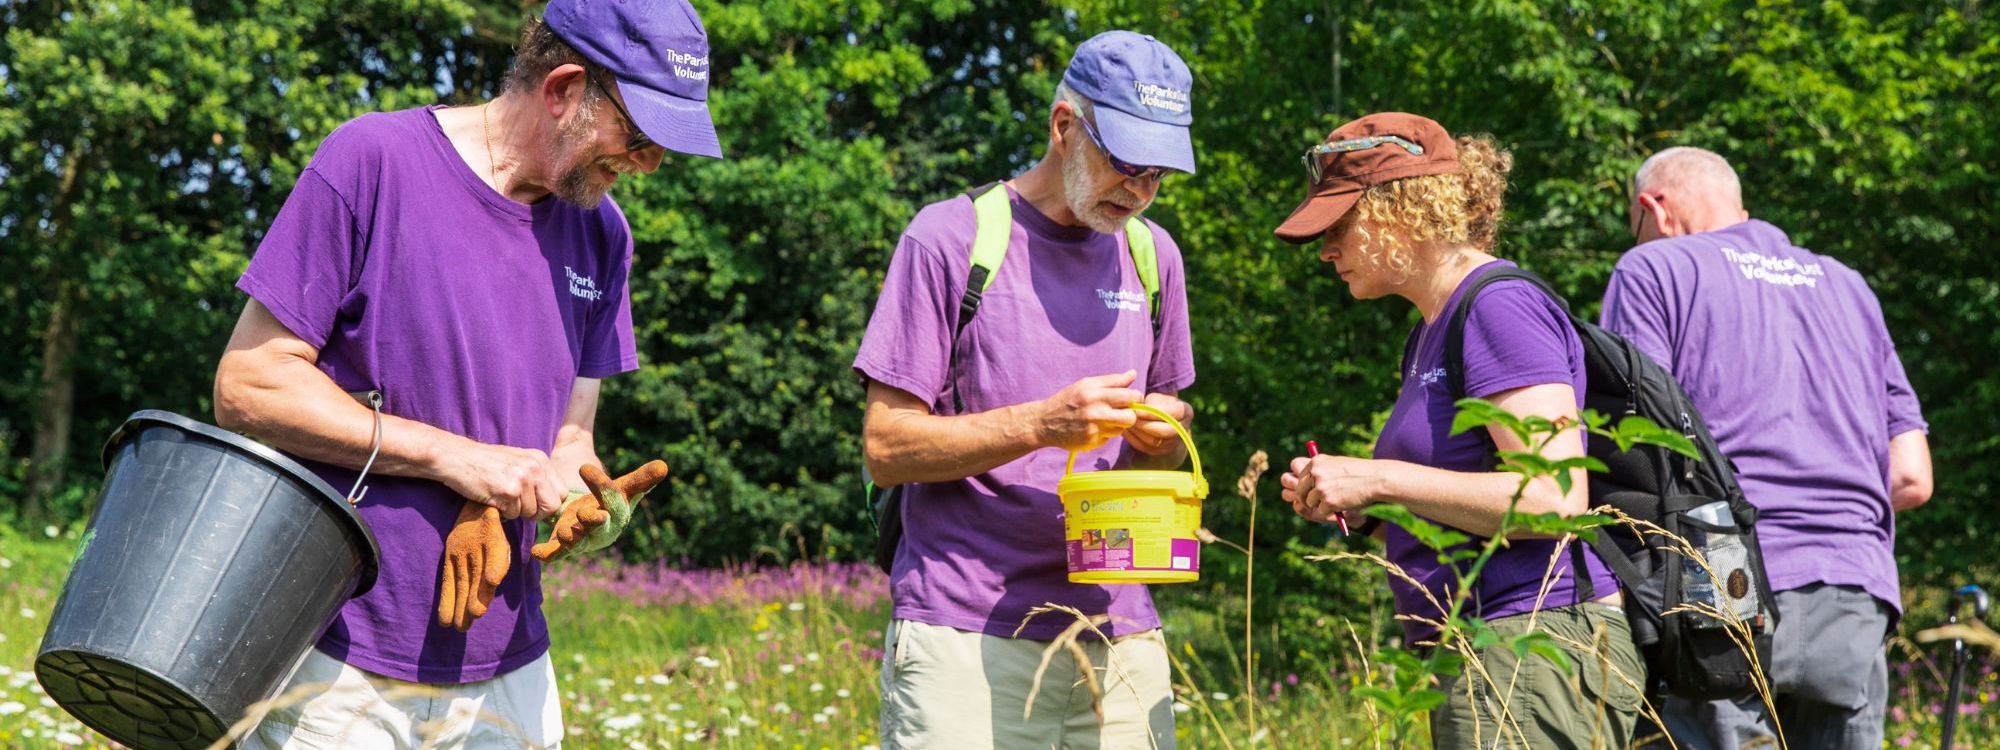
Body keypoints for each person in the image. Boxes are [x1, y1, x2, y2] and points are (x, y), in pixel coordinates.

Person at [211, 0, 723, 745]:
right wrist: (456, 458)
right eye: (640, 135)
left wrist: (582, 497)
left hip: (510, 663)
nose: (650, 162)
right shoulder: (373, 161)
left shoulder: (605, 234)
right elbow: (248, 387)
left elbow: (569, 436)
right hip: (338, 650)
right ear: (564, 89)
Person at [854, 29, 1198, 750]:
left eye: (1158, 174)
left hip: (1122, 638)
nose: (1138, 191)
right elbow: (886, 447)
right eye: (1125, 163)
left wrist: (1164, 440)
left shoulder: (1154, 256)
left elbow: (1162, 451)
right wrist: (1042, 423)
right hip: (967, 639)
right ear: (1064, 127)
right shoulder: (950, 238)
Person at [1271, 112, 1643, 748]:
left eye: (1339, 225)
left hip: (1532, 647)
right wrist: (1362, 504)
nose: (1327, 249)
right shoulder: (1429, 328)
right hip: (1488, 653)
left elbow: (1554, 501)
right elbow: (1463, 493)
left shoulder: (1497, 306)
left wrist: (1378, 475)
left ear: (1401, 208)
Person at [1602, 146, 1932, 749]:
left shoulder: (1654, 269)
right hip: (1853, 572)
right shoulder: (1850, 287)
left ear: (1656, 208)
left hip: (1724, 559)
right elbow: (1912, 476)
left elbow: (1637, 440)